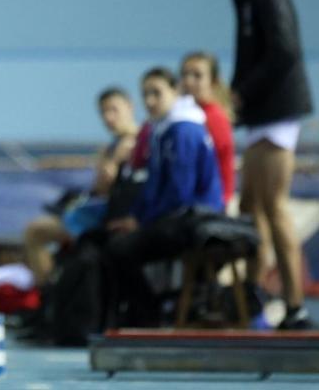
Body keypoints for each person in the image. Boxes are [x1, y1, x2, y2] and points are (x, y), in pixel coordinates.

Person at [222, 0, 314, 330]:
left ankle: (295, 306)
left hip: (277, 112)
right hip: (260, 114)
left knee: (274, 208)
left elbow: (286, 51)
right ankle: (254, 298)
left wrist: (243, 92)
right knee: (251, 208)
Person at [104, 68, 222, 327]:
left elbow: (180, 194)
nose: (150, 101)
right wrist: (135, 217)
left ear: (176, 91)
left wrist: (142, 223)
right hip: (173, 217)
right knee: (112, 239)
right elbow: (153, 189)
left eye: (156, 93)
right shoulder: (162, 131)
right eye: (145, 94)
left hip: (195, 221)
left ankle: (147, 316)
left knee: (120, 249)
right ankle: (139, 313)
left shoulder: (185, 131)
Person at [22, 87, 138, 285]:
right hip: (101, 213)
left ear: (130, 107)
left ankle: (51, 292)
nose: (108, 117)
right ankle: (55, 293)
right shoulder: (112, 146)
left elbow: (105, 186)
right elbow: (94, 176)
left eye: (113, 110)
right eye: (103, 112)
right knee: (41, 233)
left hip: (115, 218)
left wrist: (108, 169)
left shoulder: (134, 143)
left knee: (35, 232)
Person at [179, 51, 236, 208]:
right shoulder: (185, 115)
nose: (189, 81)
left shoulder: (213, 117)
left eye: (197, 76)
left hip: (210, 203)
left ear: (213, 82)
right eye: (184, 74)